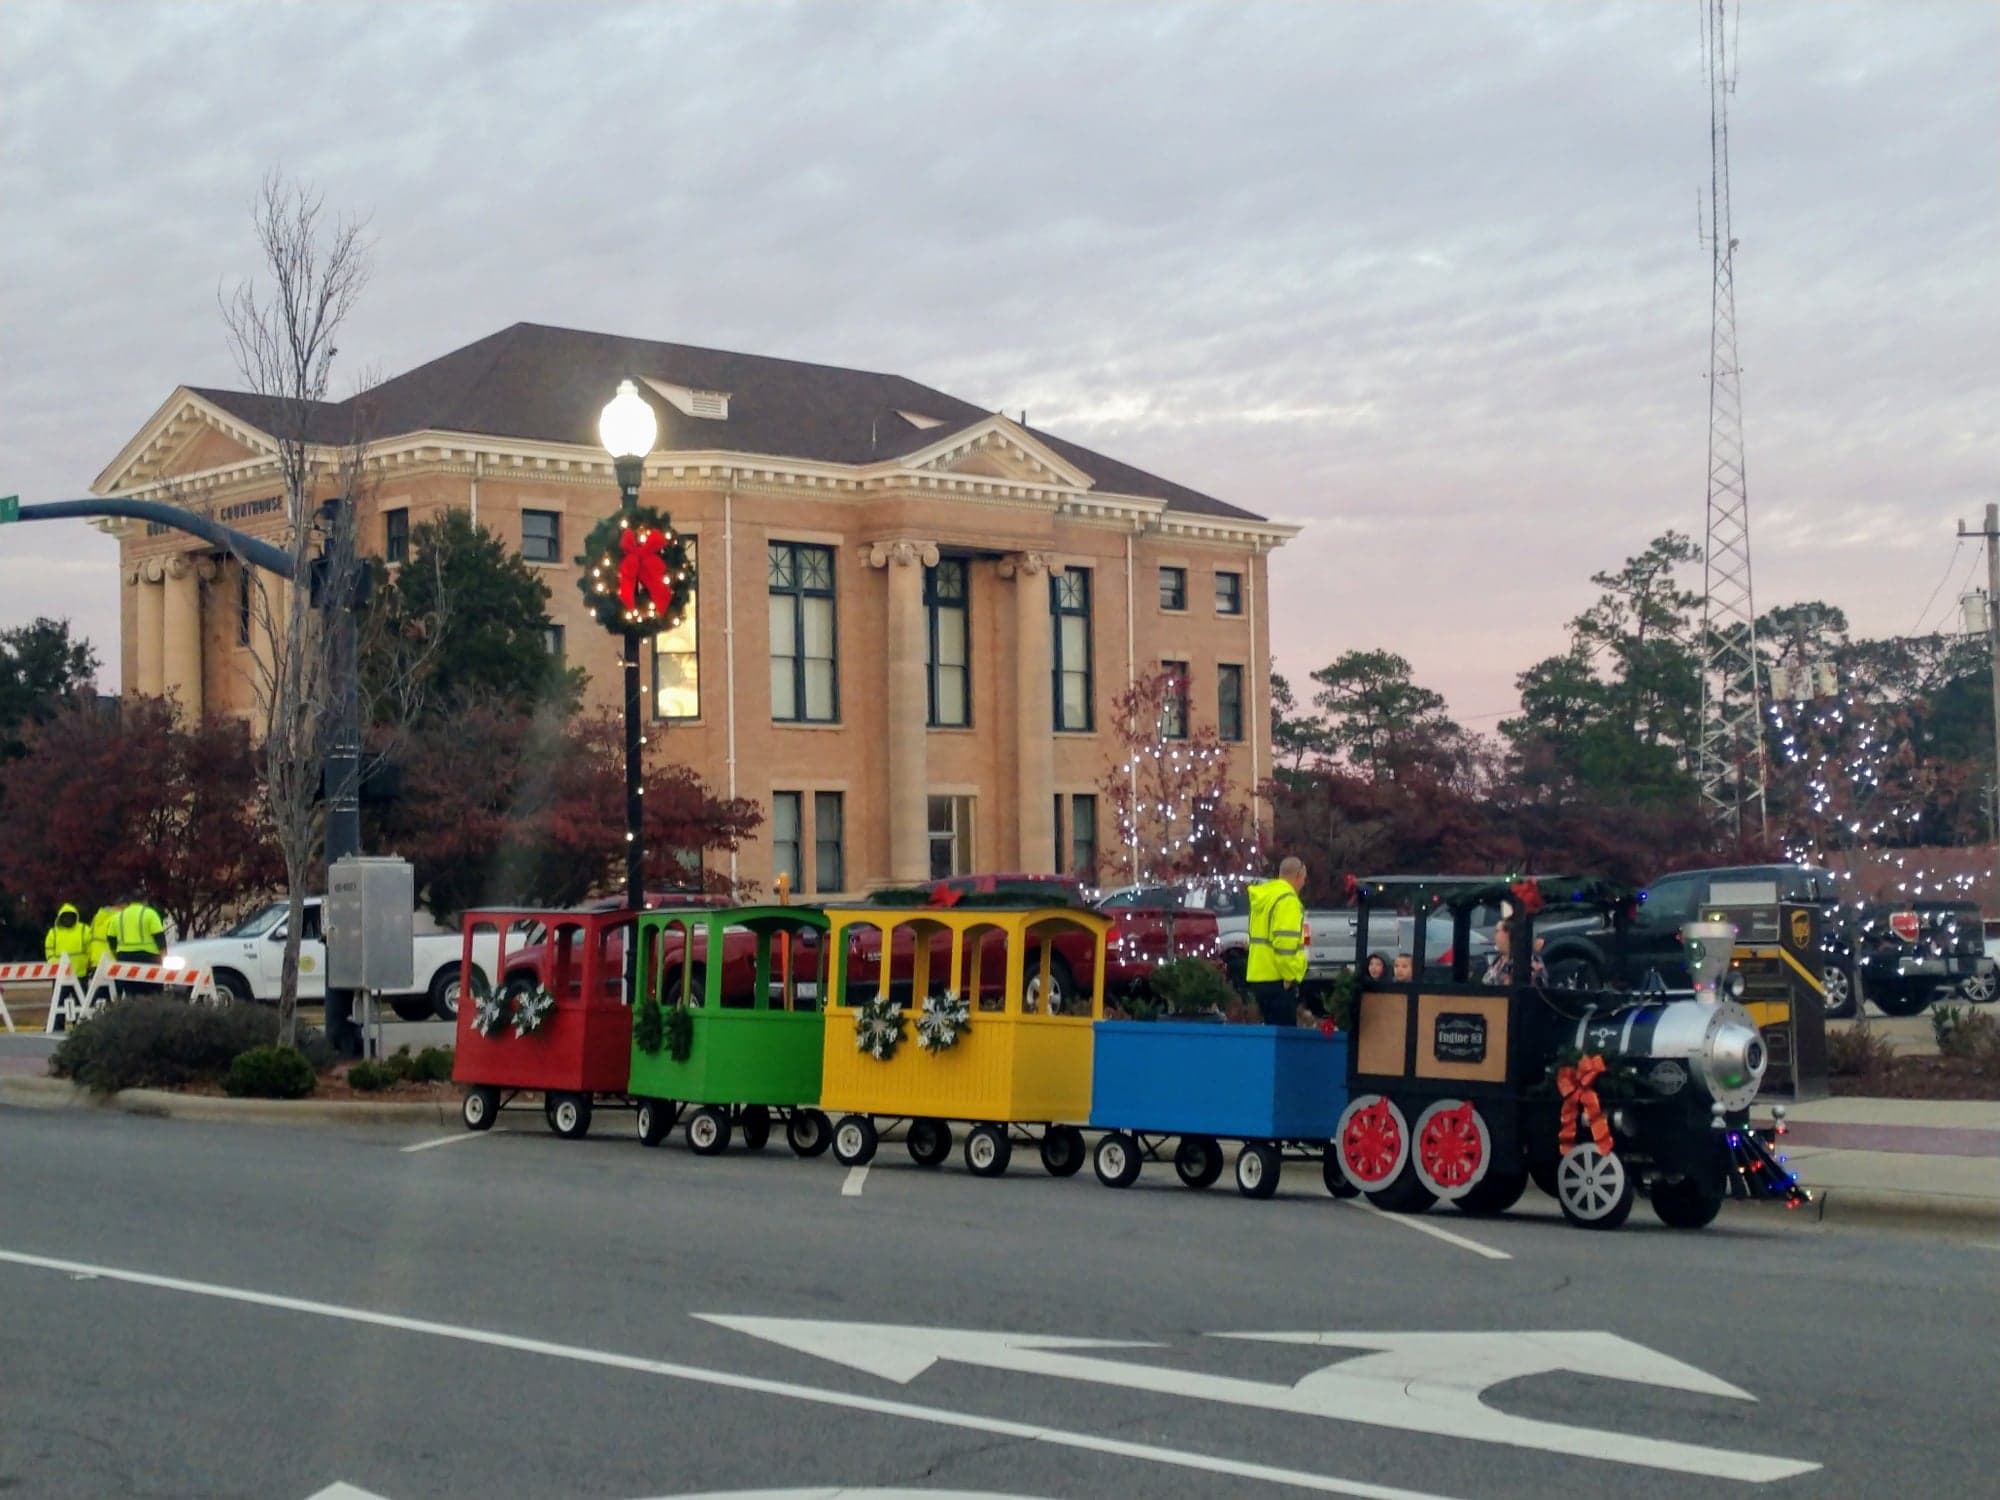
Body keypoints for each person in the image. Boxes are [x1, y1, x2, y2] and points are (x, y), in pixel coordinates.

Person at [1245, 856, 1309, 1026]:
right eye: (1304, 878)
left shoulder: (1265, 896)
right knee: (1284, 1037)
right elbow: (1285, 944)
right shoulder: (1287, 900)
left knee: (1270, 1034)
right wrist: (1289, 976)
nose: (1303, 883)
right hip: (1278, 979)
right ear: (1298, 876)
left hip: (1259, 974)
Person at [113, 893, 168, 996]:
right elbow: (159, 936)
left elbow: (111, 938)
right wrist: (164, 956)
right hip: (149, 958)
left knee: (131, 993)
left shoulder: (118, 916)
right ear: (145, 901)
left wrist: (116, 954)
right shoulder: (150, 914)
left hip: (124, 957)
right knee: (153, 992)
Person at [1482, 921, 1546, 987]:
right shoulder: (1498, 960)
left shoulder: (1528, 962)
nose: (1494, 936)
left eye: (1497, 931)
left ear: (1509, 933)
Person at [88, 903, 119, 974]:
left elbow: (90, 937)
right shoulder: (117, 918)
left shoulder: (96, 917)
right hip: (111, 960)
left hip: (96, 960)